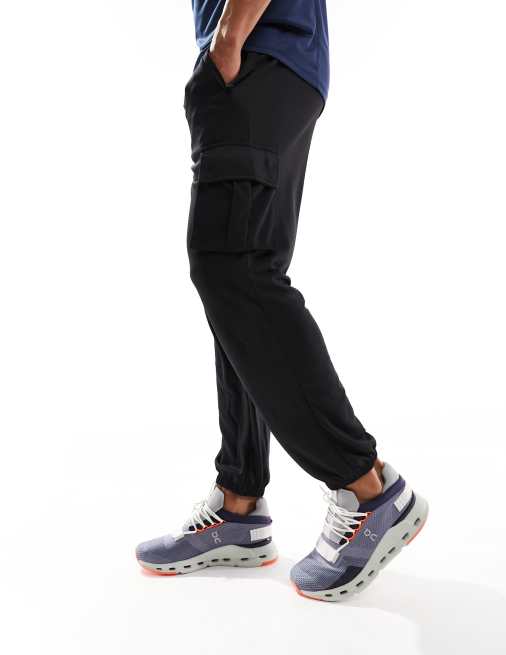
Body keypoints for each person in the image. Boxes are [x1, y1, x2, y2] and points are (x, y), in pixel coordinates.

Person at [136, 0, 428, 601]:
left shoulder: (245, 47)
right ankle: (239, 503)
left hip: (256, 54)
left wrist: (228, 38)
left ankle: (368, 489)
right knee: (237, 281)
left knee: (235, 269)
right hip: (268, 61)